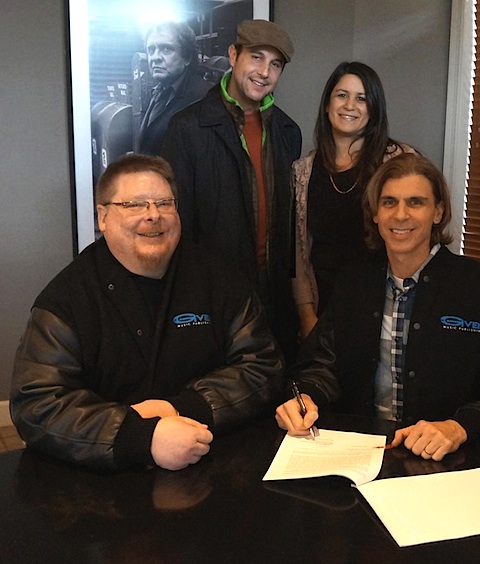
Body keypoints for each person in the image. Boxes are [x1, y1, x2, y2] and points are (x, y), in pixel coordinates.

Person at [11, 154, 283, 471]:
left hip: (214, 463)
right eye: (135, 205)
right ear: (102, 217)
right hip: (102, 486)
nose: (153, 215)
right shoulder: (66, 300)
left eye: (164, 203)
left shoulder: (221, 281)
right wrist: (140, 435)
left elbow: (263, 366)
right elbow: (36, 404)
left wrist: (183, 409)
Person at [276, 153, 480, 461]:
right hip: (359, 456)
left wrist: (460, 427)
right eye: (389, 202)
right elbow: (321, 365)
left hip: (450, 465)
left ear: (438, 211)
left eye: (415, 202)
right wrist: (305, 397)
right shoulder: (354, 282)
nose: (400, 215)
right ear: (375, 214)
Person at [161, 19, 302, 363]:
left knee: (276, 396)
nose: (264, 72)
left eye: (275, 64)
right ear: (233, 54)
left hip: (275, 293)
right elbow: (178, 223)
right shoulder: (187, 128)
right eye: (256, 57)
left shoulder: (288, 131)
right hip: (214, 296)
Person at [293, 62, 417, 339]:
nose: (350, 105)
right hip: (322, 308)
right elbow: (298, 253)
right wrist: (306, 314)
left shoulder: (398, 162)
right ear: (327, 105)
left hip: (383, 310)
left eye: (362, 98)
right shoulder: (303, 171)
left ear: (373, 110)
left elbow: (419, 241)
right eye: (342, 95)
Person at [137, 21, 212, 155]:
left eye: (166, 49)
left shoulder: (203, 99)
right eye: (151, 50)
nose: (155, 58)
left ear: (187, 57)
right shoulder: (160, 91)